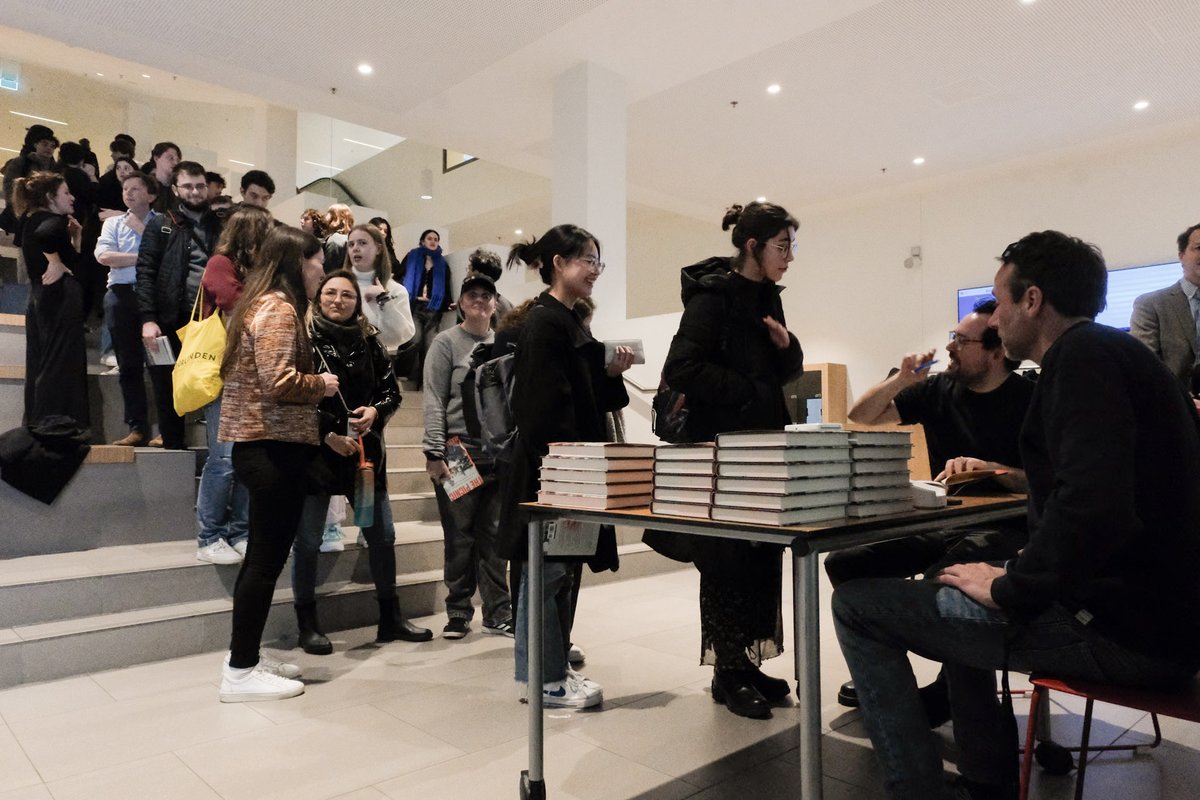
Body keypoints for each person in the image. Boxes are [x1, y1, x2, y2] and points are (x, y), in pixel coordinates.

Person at [833, 230, 1200, 800]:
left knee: (857, 604)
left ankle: (918, 789)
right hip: (1162, 622)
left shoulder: (1079, 360)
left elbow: (1094, 506)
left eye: (1001, 302)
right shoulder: (1116, 355)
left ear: (1032, 301)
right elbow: (1103, 500)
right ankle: (988, 776)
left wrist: (1013, 587)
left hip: (1126, 633)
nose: (996, 318)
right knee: (955, 578)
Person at [826, 299, 1033, 719]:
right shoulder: (940, 388)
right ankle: (886, 673)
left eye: (962, 340)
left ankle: (946, 692)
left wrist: (995, 471)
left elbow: (1046, 482)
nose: (951, 347)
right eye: (952, 337)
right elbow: (860, 416)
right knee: (846, 563)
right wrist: (901, 379)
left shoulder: (1031, 398)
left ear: (995, 354)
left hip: (1009, 528)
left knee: (949, 571)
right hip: (944, 520)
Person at [661, 201, 805, 720]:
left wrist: (787, 350)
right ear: (753, 247)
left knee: (762, 556)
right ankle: (727, 671)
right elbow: (681, 367)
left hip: (763, 447)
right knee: (727, 560)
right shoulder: (712, 298)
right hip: (723, 451)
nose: (789, 258)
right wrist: (745, 390)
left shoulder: (768, 297)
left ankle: (746, 663)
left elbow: (783, 369)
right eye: (782, 247)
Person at [496, 224, 633, 709]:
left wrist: (608, 372)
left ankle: (549, 673)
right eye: (587, 260)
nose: (595, 270)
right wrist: (566, 472)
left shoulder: (566, 320)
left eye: (599, 261)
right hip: (556, 473)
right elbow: (540, 410)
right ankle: (543, 679)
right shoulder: (546, 322)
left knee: (559, 572)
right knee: (546, 573)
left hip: (568, 470)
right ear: (558, 263)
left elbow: (583, 395)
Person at [216, 226, 337, 702]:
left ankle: (242, 657)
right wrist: (321, 385)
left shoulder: (263, 304)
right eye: (318, 262)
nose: (323, 272)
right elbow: (279, 381)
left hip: (266, 447)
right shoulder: (279, 309)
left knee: (261, 564)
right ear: (295, 262)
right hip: (271, 449)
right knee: (264, 565)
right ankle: (241, 672)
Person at [291, 270, 432, 655]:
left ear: (358, 302)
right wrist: (326, 434)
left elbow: (391, 392)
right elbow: (291, 396)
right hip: (318, 455)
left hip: (365, 456)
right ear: (319, 297)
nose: (338, 300)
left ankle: (391, 618)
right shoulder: (304, 340)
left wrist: (375, 411)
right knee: (306, 540)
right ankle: (307, 623)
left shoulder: (370, 341)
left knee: (382, 536)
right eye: (330, 293)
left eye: (347, 295)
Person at [423, 271, 513, 640]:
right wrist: (433, 450)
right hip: (459, 452)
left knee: (494, 536)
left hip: (498, 452)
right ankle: (458, 611)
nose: (479, 300)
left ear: (495, 304)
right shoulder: (445, 343)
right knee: (459, 536)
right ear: (461, 302)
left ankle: (498, 612)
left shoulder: (504, 345)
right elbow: (433, 398)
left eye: (486, 296)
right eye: (472, 295)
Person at [193, 205, 275, 565]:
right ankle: (209, 535)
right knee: (223, 459)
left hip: (253, 375)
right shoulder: (220, 263)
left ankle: (239, 530)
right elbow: (234, 303)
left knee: (246, 458)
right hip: (225, 372)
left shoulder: (259, 272)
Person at [135, 161, 222, 449]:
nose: (195, 191)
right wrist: (148, 318)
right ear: (175, 189)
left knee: (211, 380)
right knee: (165, 383)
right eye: (188, 186)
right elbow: (145, 272)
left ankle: (216, 449)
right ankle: (174, 447)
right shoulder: (160, 224)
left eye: (200, 185)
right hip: (168, 318)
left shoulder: (220, 225)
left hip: (209, 320)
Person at [11, 171, 88, 429]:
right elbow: (47, 236)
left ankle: (36, 422)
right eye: (65, 193)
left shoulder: (29, 218)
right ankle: (53, 424)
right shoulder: (52, 220)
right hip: (59, 300)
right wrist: (54, 260)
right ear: (49, 197)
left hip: (39, 299)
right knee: (59, 363)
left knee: (40, 363)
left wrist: (74, 240)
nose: (72, 197)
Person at [95, 171, 159, 445]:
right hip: (120, 295)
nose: (128, 193)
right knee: (128, 366)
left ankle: (168, 427)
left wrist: (140, 233)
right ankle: (137, 428)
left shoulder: (162, 223)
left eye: (135, 188)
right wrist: (144, 256)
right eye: (125, 188)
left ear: (151, 194)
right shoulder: (113, 224)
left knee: (161, 365)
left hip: (153, 296)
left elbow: (167, 255)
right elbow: (104, 256)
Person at [1130, 222, 1200, 395]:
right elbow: (1143, 368)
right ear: (1181, 255)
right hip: (1177, 410)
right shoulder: (1151, 305)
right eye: (1199, 247)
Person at [398, 229, 452, 388]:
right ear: (422, 241)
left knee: (430, 347)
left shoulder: (442, 263)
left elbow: (446, 287)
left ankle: (424, 383)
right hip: (414, 306)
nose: (433, 241)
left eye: (436, 239)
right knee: (414, 340)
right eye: (429, 238)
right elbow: (400, 276)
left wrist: (448, 303)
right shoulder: (412, 256)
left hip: (433, 309)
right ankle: (401, 373)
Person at [144, 142, 181, 214]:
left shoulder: (179, 188)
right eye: (170, 158)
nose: (175, 163)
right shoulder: (145, 185)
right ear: (156, 158)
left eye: (178, 160)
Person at [322, 203, 354, 271]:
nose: (325, 216)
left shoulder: (334, 240)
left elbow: (329, 269)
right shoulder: (350, 238)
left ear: (336, 217)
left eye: (329, 213)